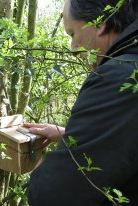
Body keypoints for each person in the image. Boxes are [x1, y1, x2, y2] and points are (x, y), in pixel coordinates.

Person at [25, 0, 138, 205]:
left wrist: (37, 164)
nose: (73, 49)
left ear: (100, 23)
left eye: (72, 34)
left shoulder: (117, 77)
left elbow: (52, 196)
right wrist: (71, 134)